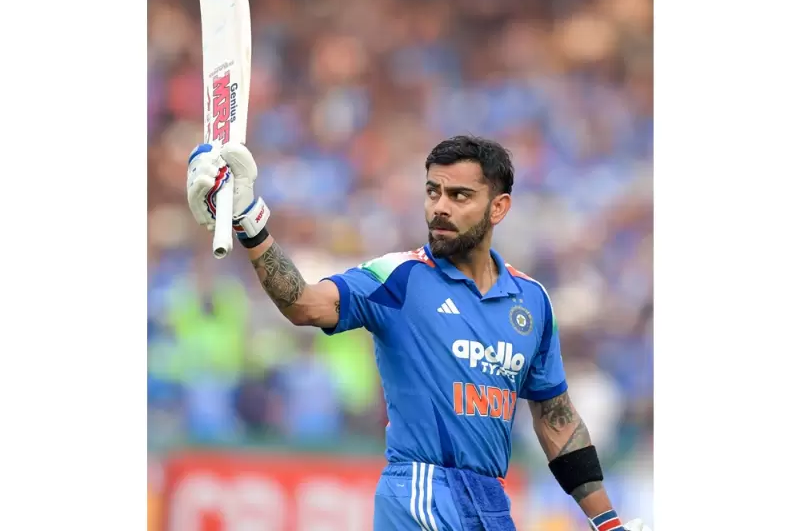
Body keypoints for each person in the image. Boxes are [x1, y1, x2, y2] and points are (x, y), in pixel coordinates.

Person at [186, 135, 651, 531]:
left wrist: (607, 522)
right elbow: (304, 303)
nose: (440, 208)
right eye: (433, 192)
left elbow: (556, 419)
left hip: (490, 501)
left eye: (460, 196)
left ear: (499, 207)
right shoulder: (400, 277)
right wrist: (249, 219)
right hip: (420, 492)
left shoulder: (532, 301)